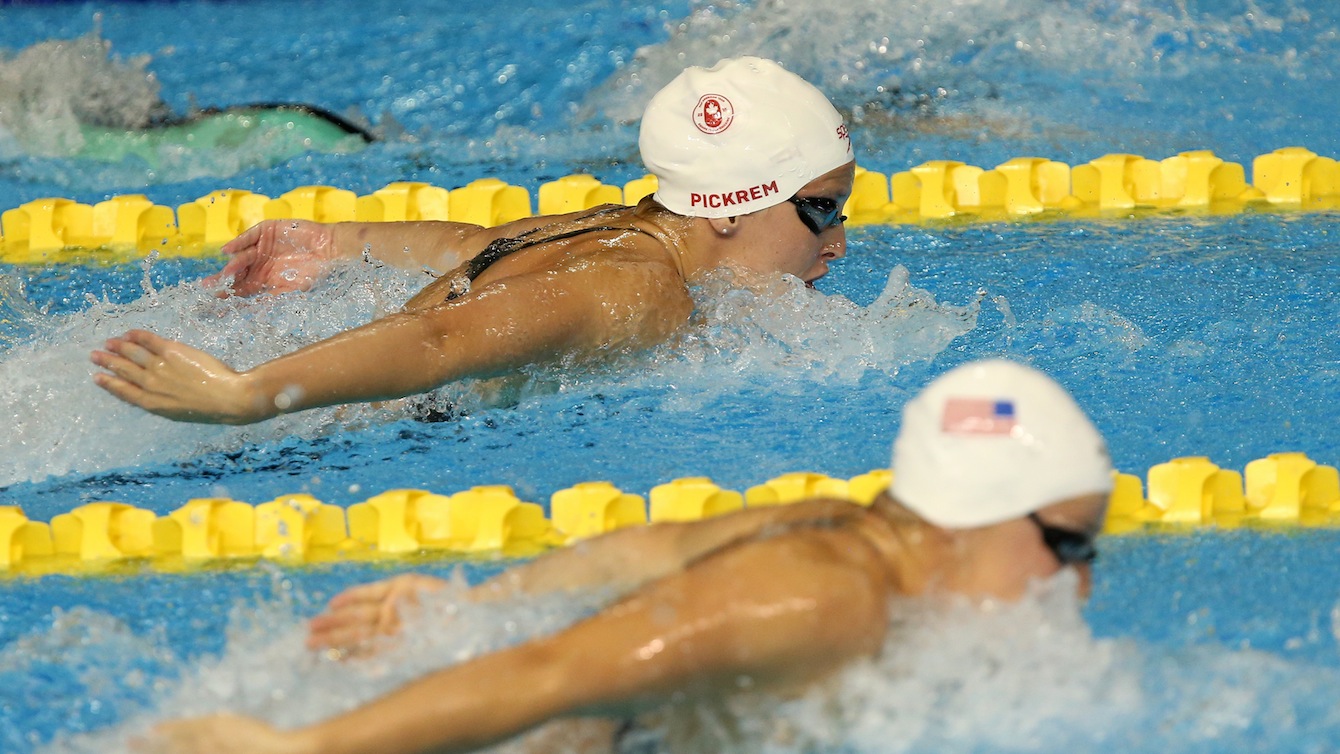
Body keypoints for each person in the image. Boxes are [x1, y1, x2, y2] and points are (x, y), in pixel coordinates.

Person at [141, 359, 1115, 754]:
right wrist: (304, 751)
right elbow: (554, 670)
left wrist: (467, 603)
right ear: (970, 516)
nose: (1078, 580)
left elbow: (649, 547)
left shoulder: (842, 524)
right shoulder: (819, 599)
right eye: (1067, 544)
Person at [90, 56, 856, 425]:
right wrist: (245, 393)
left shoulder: (616, 230)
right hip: (333, 432)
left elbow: (473, 243)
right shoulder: (640, 289)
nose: (838, 244)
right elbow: (437, 342)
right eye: (821, 211)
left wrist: (336, 241)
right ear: (729, 207)